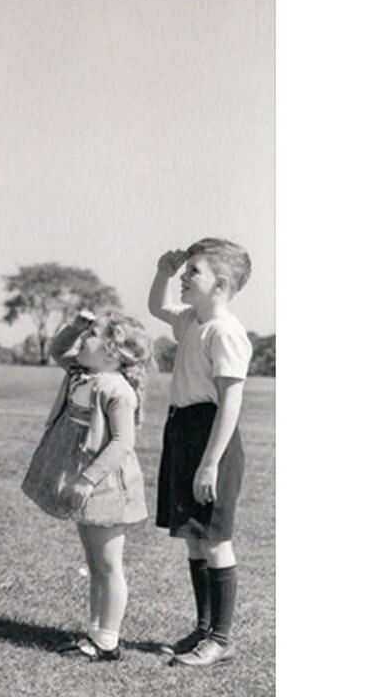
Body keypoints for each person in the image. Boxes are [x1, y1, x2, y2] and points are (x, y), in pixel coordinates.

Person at [21, 308, 152, 662]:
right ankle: (95, 633)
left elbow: (122, 442)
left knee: (109, 564)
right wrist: (76, 327)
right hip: (89, 482)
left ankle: (107, 641)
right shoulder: (83, 372)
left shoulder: (116, 389)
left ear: (112, 351)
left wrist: (88, 479)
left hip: (106, 485)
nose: (83, 340)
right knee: (95, 562)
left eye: (92, 335)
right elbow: (58, 351)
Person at [147, 238, 253, 667]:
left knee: (215, 540)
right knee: (193, 536)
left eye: (194, 271)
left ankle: (221, 639)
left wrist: (210, 462)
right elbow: (158, 308)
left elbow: (231, 402)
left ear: (221, 283)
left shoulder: (224, 332)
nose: (184, 278)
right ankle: (203, 627)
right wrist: (162, 272)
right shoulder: (192, 319)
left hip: (213, 438)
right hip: (183, 431)